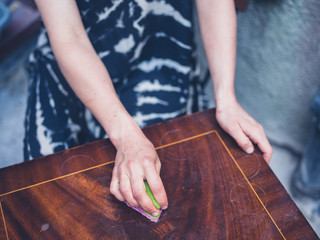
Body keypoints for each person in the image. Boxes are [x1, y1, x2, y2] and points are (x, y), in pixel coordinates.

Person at [24, 0, 273, 217]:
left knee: (179, 185)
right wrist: (125, 134)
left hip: (161, 51)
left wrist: (226, 98)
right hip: (70, 63)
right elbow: (68, 36)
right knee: (46, 199)